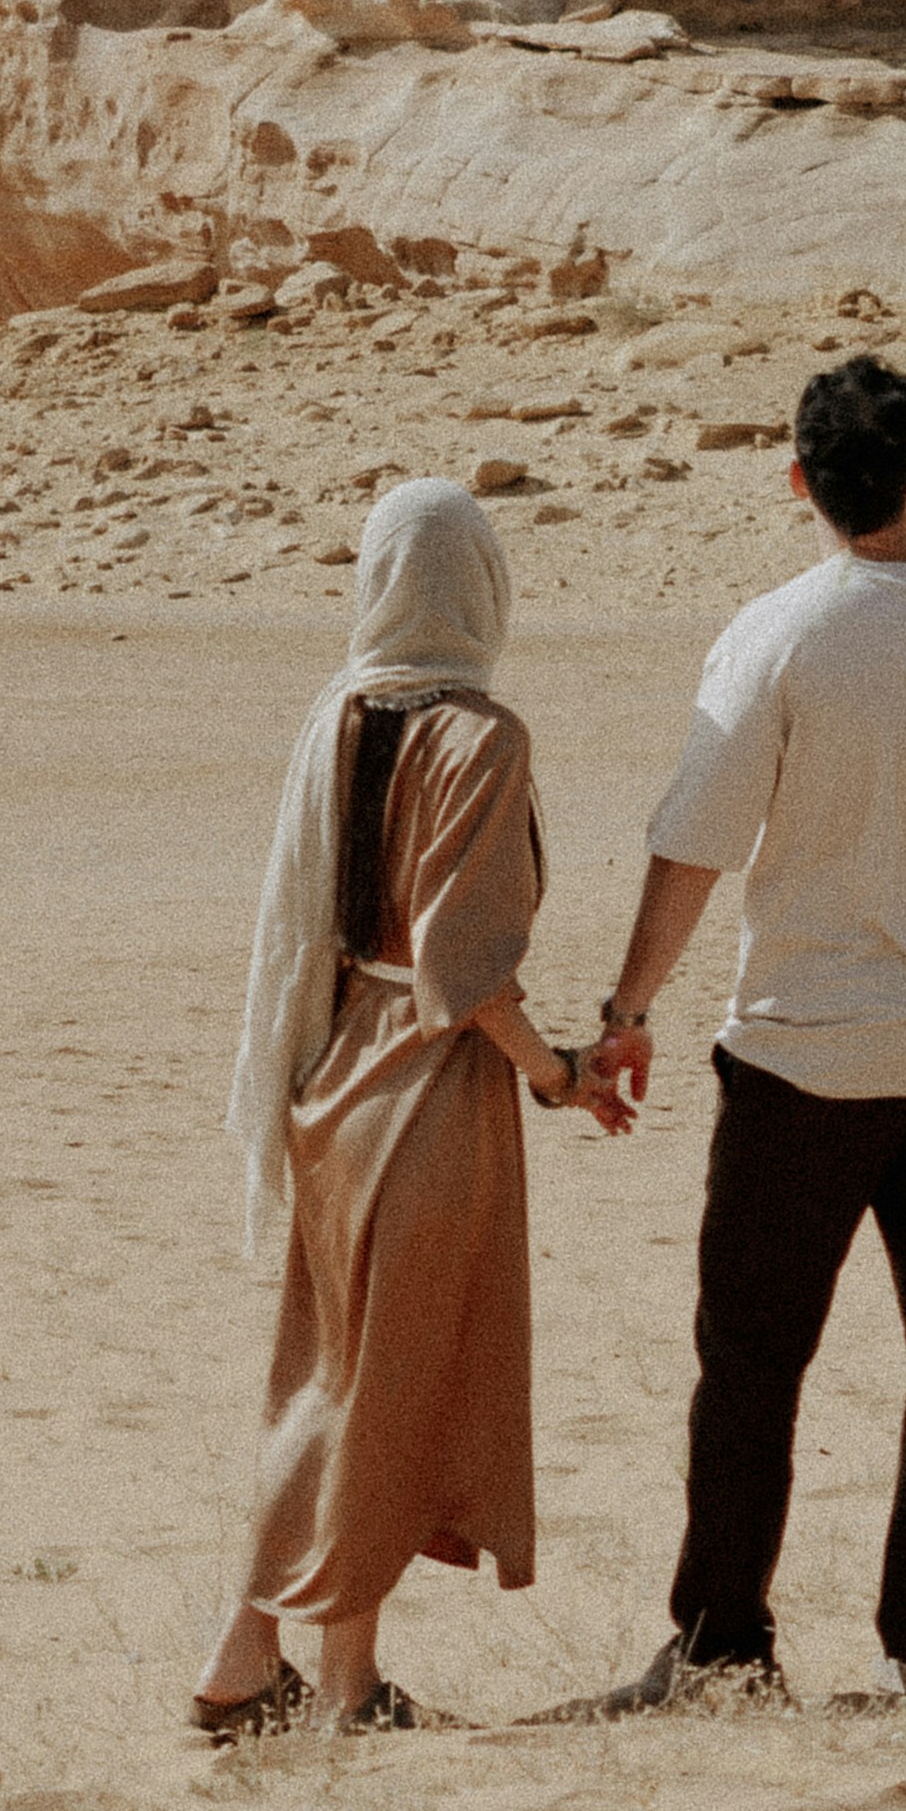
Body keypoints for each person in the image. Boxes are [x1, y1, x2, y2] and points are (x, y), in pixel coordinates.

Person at [585, 353, 906, 1705]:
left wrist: (628, 1007)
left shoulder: (780, 633)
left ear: (800, 479)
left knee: (752, 1359)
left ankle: (723, 1641)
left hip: (805, 1052)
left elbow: (691, 842)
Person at [196, 478, 630, 1737]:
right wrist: (554, 1070)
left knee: (329, 1374)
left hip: (330, 1075)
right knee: (381, 1385)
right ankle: (321, 1680)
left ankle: (266, 1662)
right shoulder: (479, 734)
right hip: (428, 1086)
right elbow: (463, 965)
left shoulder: (334, 717)